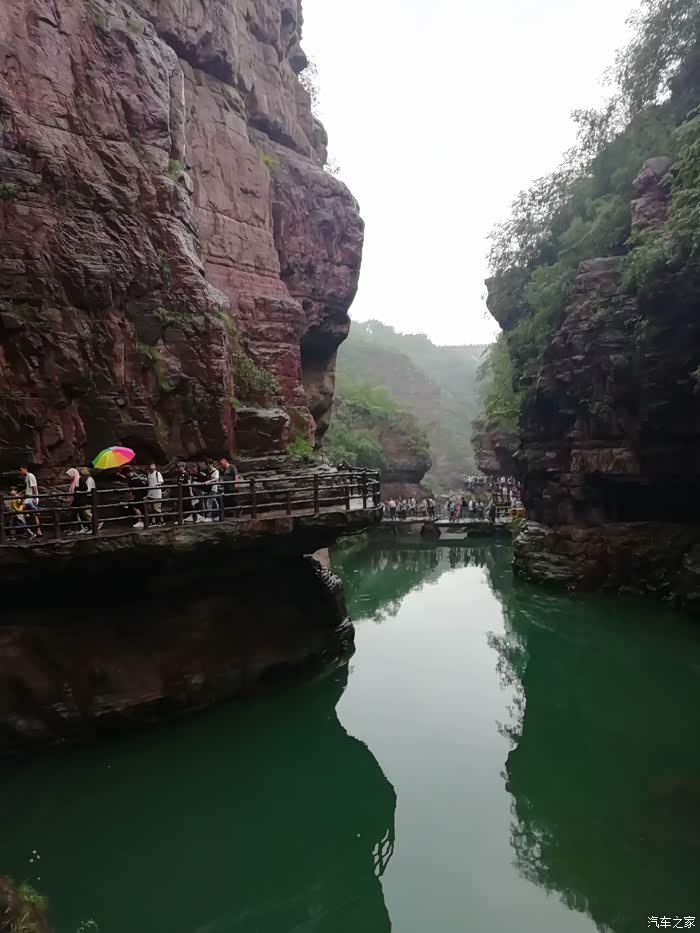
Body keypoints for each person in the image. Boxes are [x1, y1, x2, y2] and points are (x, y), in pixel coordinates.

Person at [19, 466, 42, 537]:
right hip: (28, 498)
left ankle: (34, 531)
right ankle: (32, 531)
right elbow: (27, 489)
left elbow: (34, 487)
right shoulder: (26, 478)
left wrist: (35, 498)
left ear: (25, 469)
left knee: (21, 511)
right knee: (32, 515)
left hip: (31, 498)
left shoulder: (30, 476)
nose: (20, 472)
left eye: (21, 470)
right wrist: (19, 494)